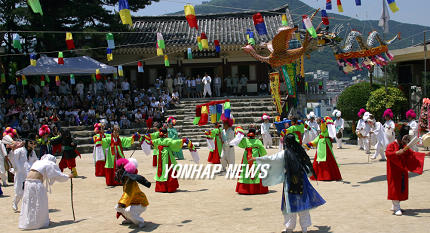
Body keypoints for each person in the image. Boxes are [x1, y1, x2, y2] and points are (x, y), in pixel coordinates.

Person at [252, 133, 326, 233]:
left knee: (289, 205)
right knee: (303, 203)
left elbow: (272, 159)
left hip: (290, 181)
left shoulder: (284, 153)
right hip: (302, 180)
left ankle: (289, 228)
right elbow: (306, 164)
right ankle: (304, 228)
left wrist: (257, 159)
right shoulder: (300, 150)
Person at [385, 125, 430, 216]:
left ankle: (395, 206)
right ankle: (396, 207)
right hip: (394, 171)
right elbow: (388, 154)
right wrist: (397, 153)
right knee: (395, 188)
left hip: (402, 170)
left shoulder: (404, 146)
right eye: (405, 137)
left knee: (401, 188)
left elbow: (412, 155)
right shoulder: (392, 145)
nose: (406, 139)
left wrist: (425, 154)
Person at [18, 154, 72, 230]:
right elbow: (57, 175)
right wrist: (68, 176)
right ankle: (39, 223)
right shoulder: (49, 163)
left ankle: (30, 222)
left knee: (30, 203)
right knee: (40, 203)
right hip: (36, 183)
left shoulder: (38, 162)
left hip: (28, 183)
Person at [230, 128, 268, 194]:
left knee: (246, 169)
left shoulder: (245, 140)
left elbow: (239, 144)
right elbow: (262, 151)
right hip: (255, 156)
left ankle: (245, 189)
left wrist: (238, 135)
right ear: (255, 134)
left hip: (246, 157)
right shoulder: (258, 141)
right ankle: (256, 189)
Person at [114, 158, 151, 228]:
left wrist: (122, 204)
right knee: (117, 207)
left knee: (127, 210)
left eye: (120, 169)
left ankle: (140, 221)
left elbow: (127, 195)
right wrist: (120, 208)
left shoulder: (130, 181)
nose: (117, 171)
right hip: (132, 202)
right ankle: (130, 219)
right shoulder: (126, 179)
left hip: (140, 203)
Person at [150, 128, 187, 193]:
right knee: (169, 169)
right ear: (166, 133)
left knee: (161, 169)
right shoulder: (168, 140)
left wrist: (144, 138)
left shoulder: (157, 140)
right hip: (167, 156)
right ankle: (170, 187)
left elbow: (150, 142)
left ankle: (161, 188)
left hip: (160, 155)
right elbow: (175, 142)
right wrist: (183, 140)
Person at [305, 117, 342, 181]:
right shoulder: (323, 133)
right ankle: (325, 176)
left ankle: (326, 176)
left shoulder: (327, 132)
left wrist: (337, 133)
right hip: (322, 148)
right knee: (324, 161)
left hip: (326, 147)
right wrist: (310, 144)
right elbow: (316, 140)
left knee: (326, 161)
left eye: (321, 124)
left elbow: (332, 134)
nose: (320, 126)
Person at [10, 134, 38, 212]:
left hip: (29, 174)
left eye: (34, 143)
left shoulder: (33, 152)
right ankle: (15, 202)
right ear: (27, 142)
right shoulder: (19, 151)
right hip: (20, 173)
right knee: (19, 191)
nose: (33, 145)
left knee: (30, 191)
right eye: (31, 143)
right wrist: (18, 170)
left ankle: (28, 206)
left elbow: (36, 161)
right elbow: (14, 160)